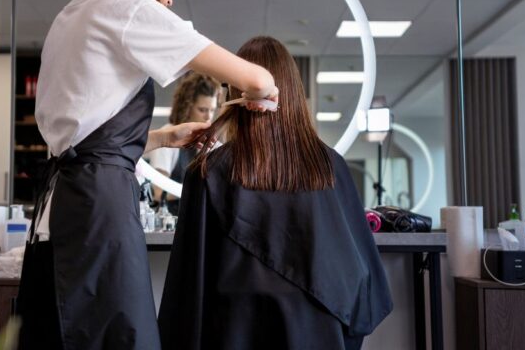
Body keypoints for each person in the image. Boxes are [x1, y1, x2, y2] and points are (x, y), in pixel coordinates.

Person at [16, 0, 278, 350]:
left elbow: (80, 134)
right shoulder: (131, 10)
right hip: (97, 213)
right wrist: (266, 91)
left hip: (56, 213)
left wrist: (160, 137)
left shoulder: (72, 13)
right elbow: (257, 80)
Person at [157, 36, 393, 350]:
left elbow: (185, 298)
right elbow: (365, 288)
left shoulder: (208, 171)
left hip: (232, 333)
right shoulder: (330, 167)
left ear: (236, 97)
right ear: (294, 94)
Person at [145, 72, 220, 215]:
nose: (208, 117)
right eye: (202, 110)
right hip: (172, 218)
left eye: (212, 110)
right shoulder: (167, 136)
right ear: (187, 106)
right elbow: (158, 192)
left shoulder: (213, 144)